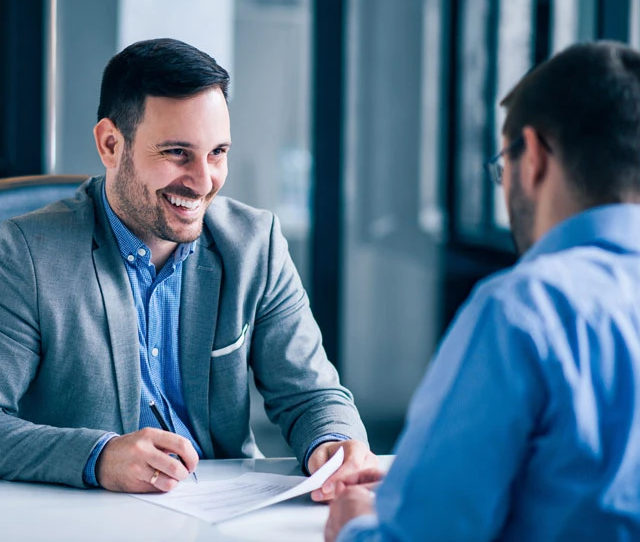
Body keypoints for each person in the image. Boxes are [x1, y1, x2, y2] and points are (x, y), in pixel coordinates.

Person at [0, 38, 374, 493]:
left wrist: (335, 441)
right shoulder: (24, 254)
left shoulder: (256, 244)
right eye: (177, 153)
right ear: (111, 144)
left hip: (224, 513)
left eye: (217, 152)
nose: (202, 182)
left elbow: (311, 394)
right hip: (89, 515)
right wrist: (98, 458)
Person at [325, 40, 640, 541]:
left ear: (533, 156)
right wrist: (425, 482)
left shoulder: (526, 308)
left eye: (502, 166)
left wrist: (358, 524)